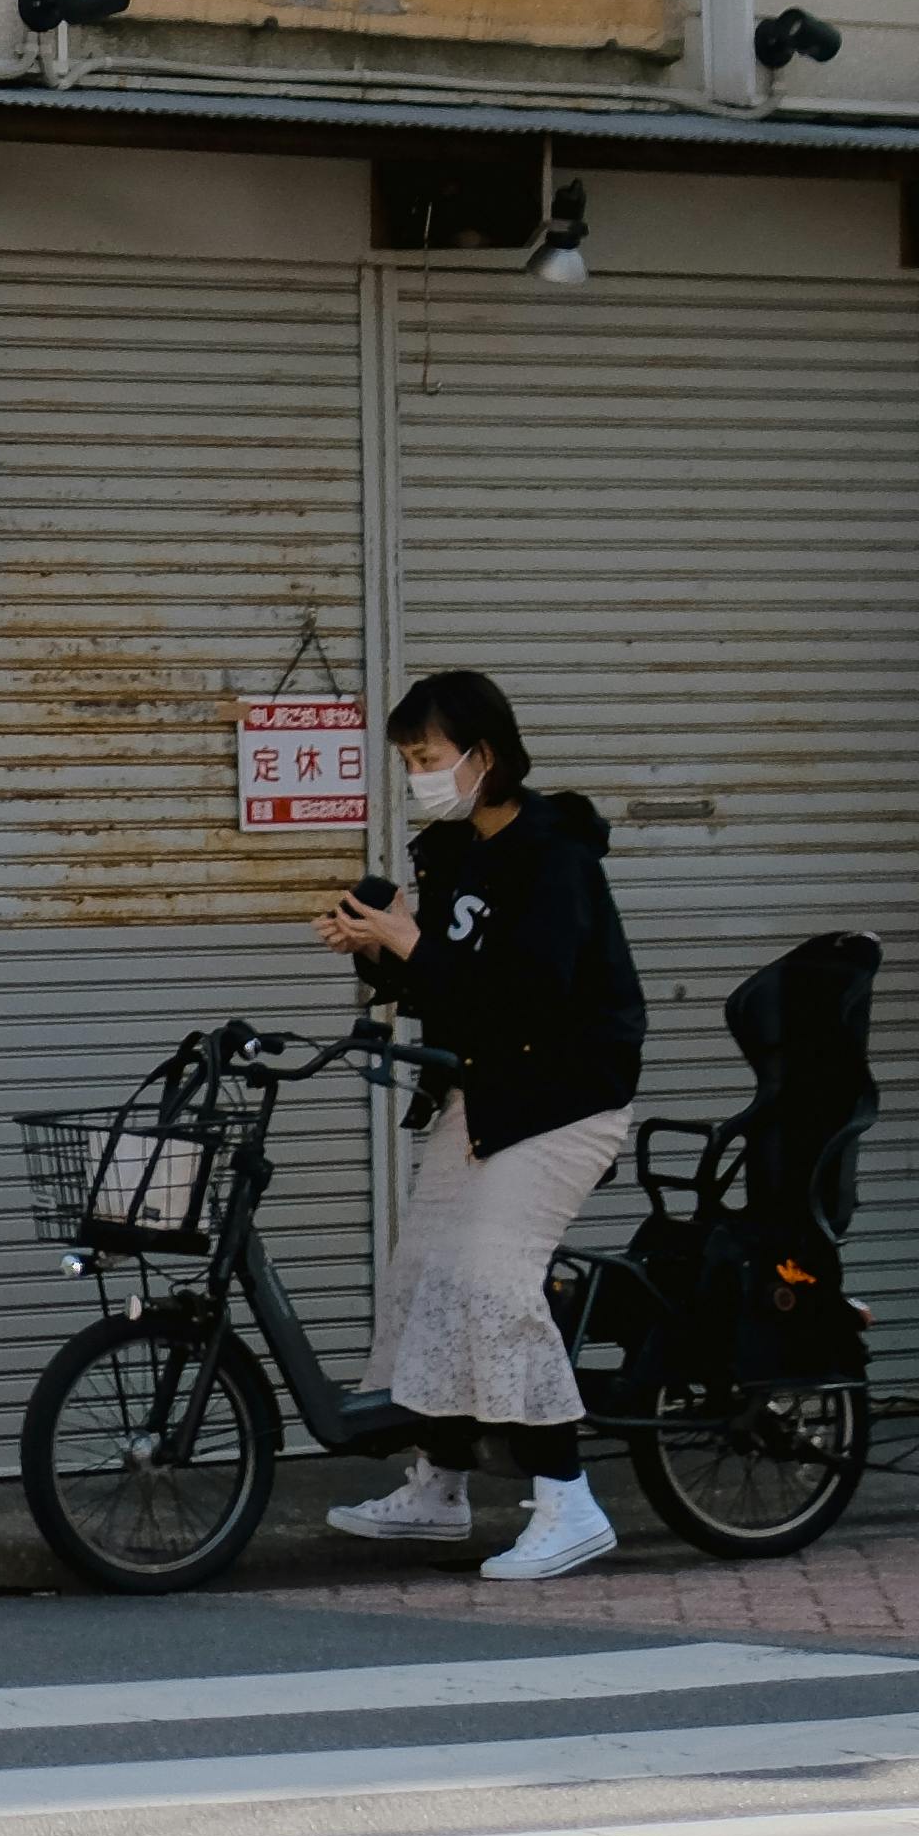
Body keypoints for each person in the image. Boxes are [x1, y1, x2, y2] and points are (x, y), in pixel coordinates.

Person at [304, 664, 650, 1582]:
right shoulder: (448, 852)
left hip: (567, 1095)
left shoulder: (553, 854)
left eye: (428, 756)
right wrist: (378, 952)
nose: (418, 773)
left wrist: (411, 944)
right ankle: (440, 1487)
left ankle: (569, 1502)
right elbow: (448, 996)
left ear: (483, 754)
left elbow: (531, 998)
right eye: (410, 759)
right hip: (488, 1090)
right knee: (426, 1275)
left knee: (493, 1280)